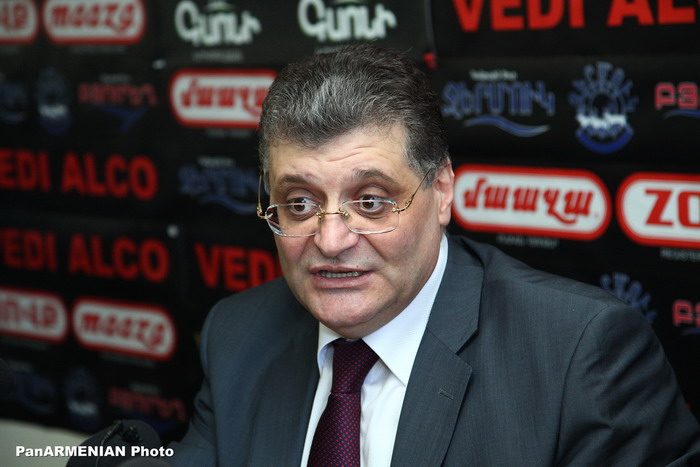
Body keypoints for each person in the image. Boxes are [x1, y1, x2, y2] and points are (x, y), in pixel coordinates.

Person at [169, 45, 700, 466]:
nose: (330, 241)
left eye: (371, 201)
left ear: (442, 191)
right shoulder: (236, 334)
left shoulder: (580, 359)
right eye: (300, 204)